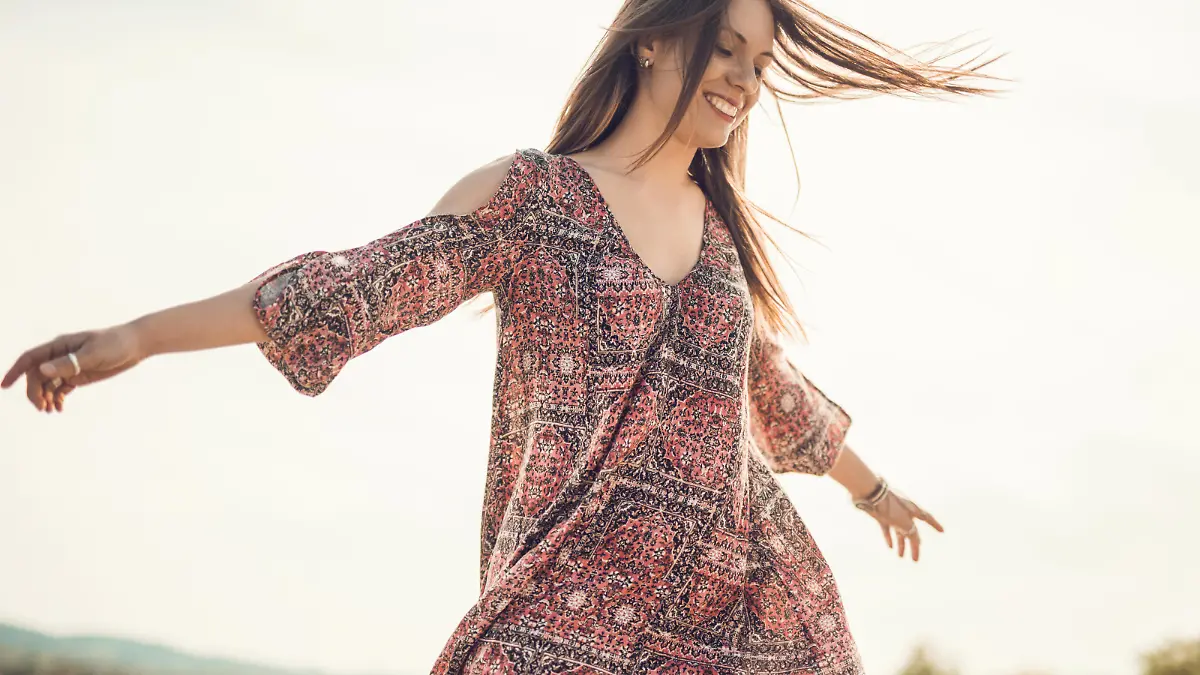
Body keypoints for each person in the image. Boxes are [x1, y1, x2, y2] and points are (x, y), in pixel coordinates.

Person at [4, 0, 1006, 672]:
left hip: (748, 607)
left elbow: (764, 387)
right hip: (566, 600)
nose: (744, 78)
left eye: (759, 62)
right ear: (653, 38)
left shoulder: (718, 236)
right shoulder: (533, 197)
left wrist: (869, 488)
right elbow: (350, 290)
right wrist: (131, 338)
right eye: (727, 48)